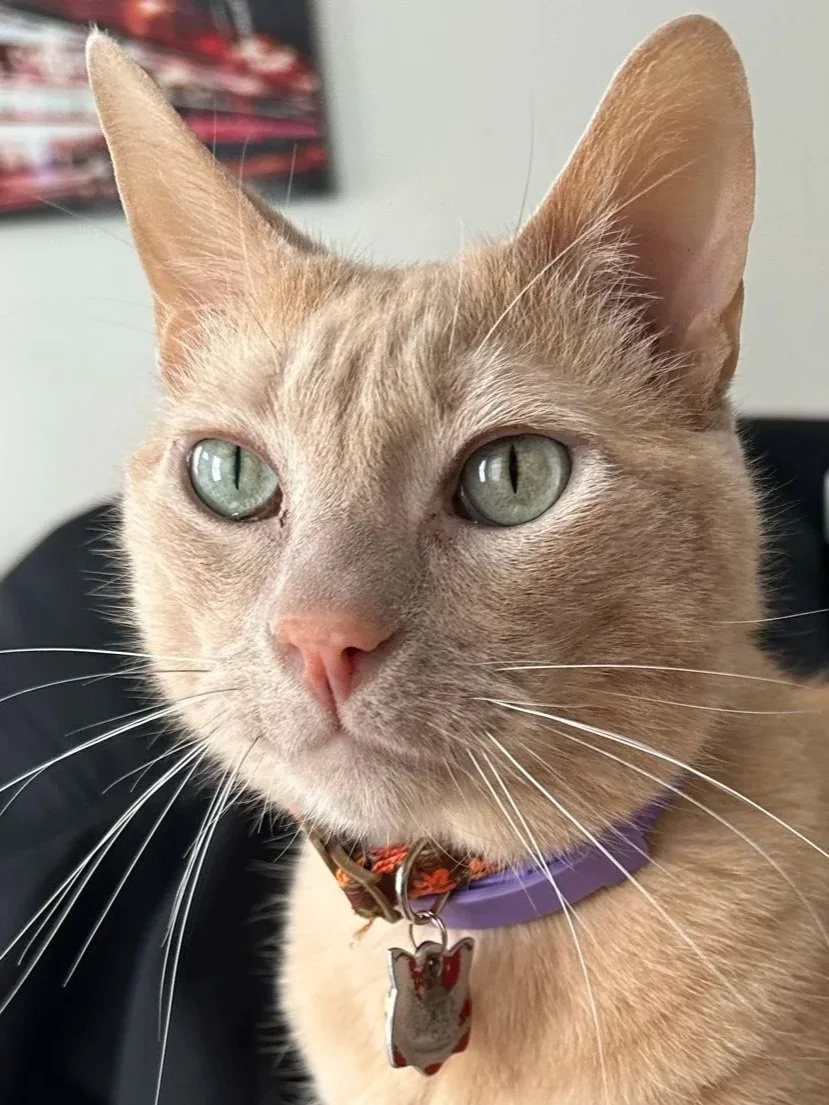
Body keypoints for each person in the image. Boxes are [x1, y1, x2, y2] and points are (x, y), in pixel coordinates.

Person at [0, 419, 826, 1103]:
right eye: (238, 476)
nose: (323, 627)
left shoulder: (793, 912)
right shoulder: (311, 929)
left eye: (507, 476)